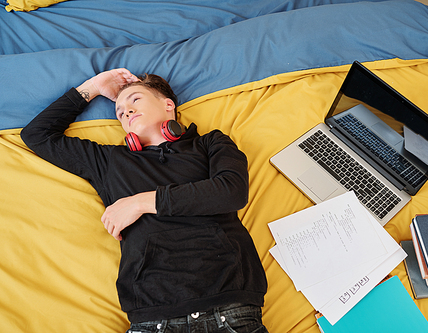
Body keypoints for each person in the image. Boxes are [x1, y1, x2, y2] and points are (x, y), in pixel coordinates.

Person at [21, 68, 268, 333]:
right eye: (119, 112)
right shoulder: (109, 162)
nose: (125, 111)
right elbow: (37, 135)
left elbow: (231, 191)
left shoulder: (209, 143)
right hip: (154, 318)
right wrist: (93, 86)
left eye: (135, 100)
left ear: (168, 105)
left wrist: (139, 203)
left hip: (229, 309)